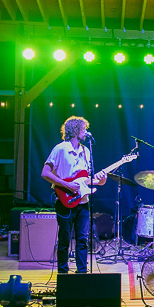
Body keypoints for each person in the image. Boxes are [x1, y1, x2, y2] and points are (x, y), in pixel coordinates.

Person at [41, 116, 105, 274]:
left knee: (82, 239)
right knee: (64, 240)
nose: (86, 132)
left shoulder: (86, 151)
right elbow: (45, 173)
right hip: (65, 200)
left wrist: (100, 181)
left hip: (82, 202)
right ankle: (63, 273)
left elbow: (85, 180)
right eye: (83, 129)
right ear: (75, 130)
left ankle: (81, 273)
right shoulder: (60, 149)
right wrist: (66, 184)